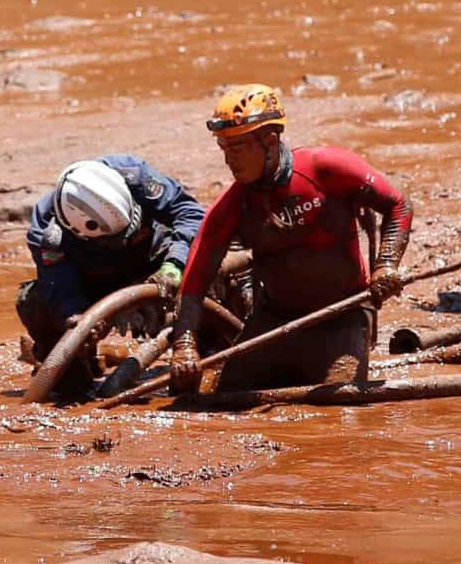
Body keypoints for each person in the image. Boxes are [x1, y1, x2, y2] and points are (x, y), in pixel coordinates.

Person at [167, 85, 412, 394]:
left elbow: (399, 205)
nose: (230, 161)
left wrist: (386, 265)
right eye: (224, 149)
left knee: (339, 408)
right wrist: (185, 345)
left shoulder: (326, 167)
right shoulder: (232, 205)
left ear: (270, 141)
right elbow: (194, 282)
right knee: (226, 396)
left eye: (239, 148)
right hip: (274, 322)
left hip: (344, 316)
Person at [16, 156, 204, 376]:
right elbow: (58, 285)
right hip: (93, 282)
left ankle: (204, 341)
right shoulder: (48, 233)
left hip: (154, 262)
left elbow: (191, 213)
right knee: (35, 303)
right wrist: (75, 317)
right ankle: (70, 369)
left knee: (207, 264)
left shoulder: (134, 175)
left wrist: (174, 264)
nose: (126, 239)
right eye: (118, 238)